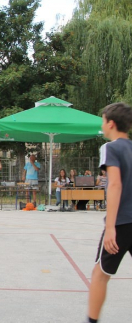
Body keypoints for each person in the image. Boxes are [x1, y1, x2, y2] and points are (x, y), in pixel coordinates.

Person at [86, 102, 132, 323]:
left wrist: (111, 227)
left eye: (103, 121)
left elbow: (114, 185)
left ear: (111, 123)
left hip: (122, 222)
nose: (102, 125)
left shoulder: (110, 148)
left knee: (100, 275)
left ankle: (91, 321)